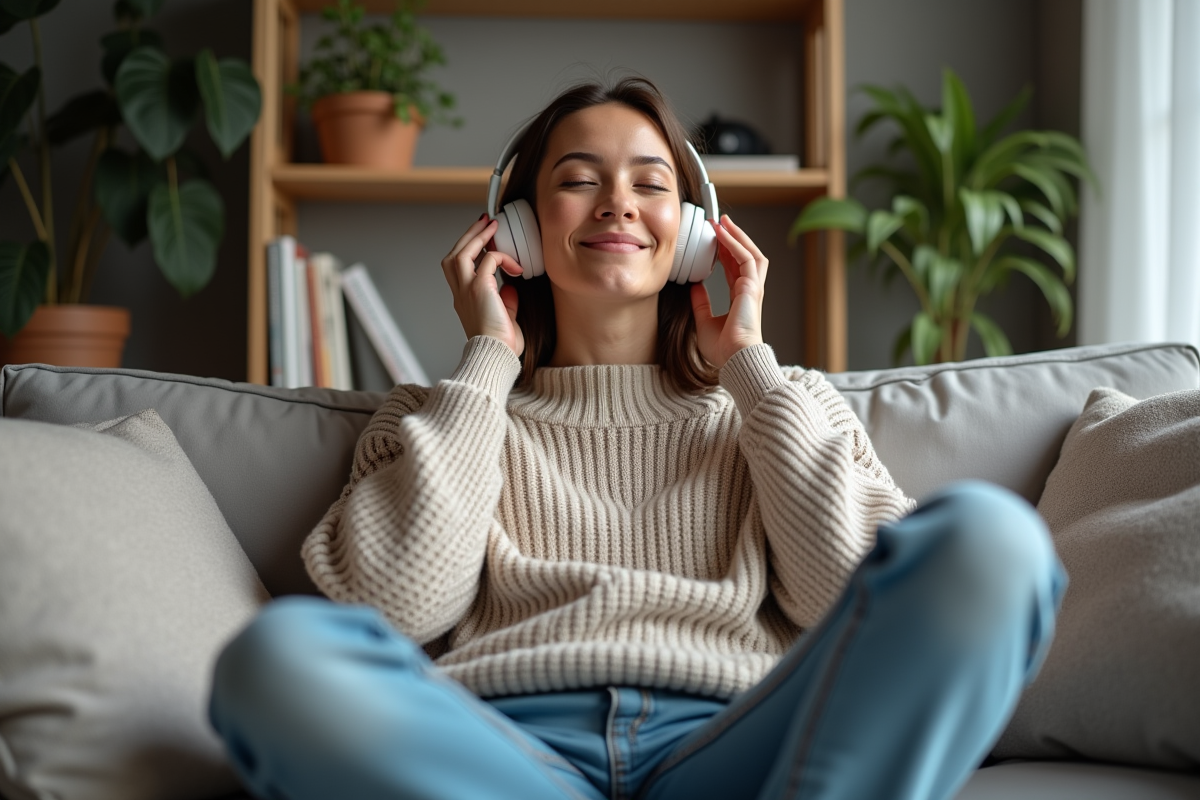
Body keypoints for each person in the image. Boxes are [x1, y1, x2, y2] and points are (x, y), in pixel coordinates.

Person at [208, 77, 1065, 800]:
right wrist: (487, 361)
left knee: (993, 542)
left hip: (735, 745)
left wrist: (750, 368)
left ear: (695, 233)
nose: (617, 201)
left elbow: (846, 599)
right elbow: (393, 607)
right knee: (278, 659)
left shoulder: (785, 405)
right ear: (515, 228)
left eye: (650, 184)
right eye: (580, 179)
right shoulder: (435, 418)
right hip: (510, 758)